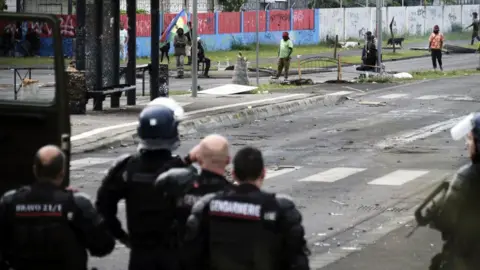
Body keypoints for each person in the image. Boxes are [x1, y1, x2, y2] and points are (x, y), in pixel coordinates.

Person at [95, 98, 194, 270]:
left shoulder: (127, 168)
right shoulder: (182, 170)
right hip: (173, 254)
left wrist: (121, 236)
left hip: (140, 253)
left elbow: (103, 206)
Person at [185, 146, 310, 270]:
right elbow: (297, 260)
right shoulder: (279, 209)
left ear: (233, 175)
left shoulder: (209, 206)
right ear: (263, 173)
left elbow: (191, 254)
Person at [0, 145, 115, 270]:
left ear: (34, 170)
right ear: (62, 172)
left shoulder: (10, 202)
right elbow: (104, 246)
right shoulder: (76, 203)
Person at [155, 134, 235, 269]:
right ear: (227, 160)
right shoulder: (233, 196)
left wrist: (186, 160)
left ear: (198, 159)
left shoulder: (182, 188)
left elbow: (156, 179)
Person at [419, 113, 480, 270]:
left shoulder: (467, 177)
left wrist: (434, 212)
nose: (468, 144)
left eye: (470, 139)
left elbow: (447, 220)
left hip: (468, 255)